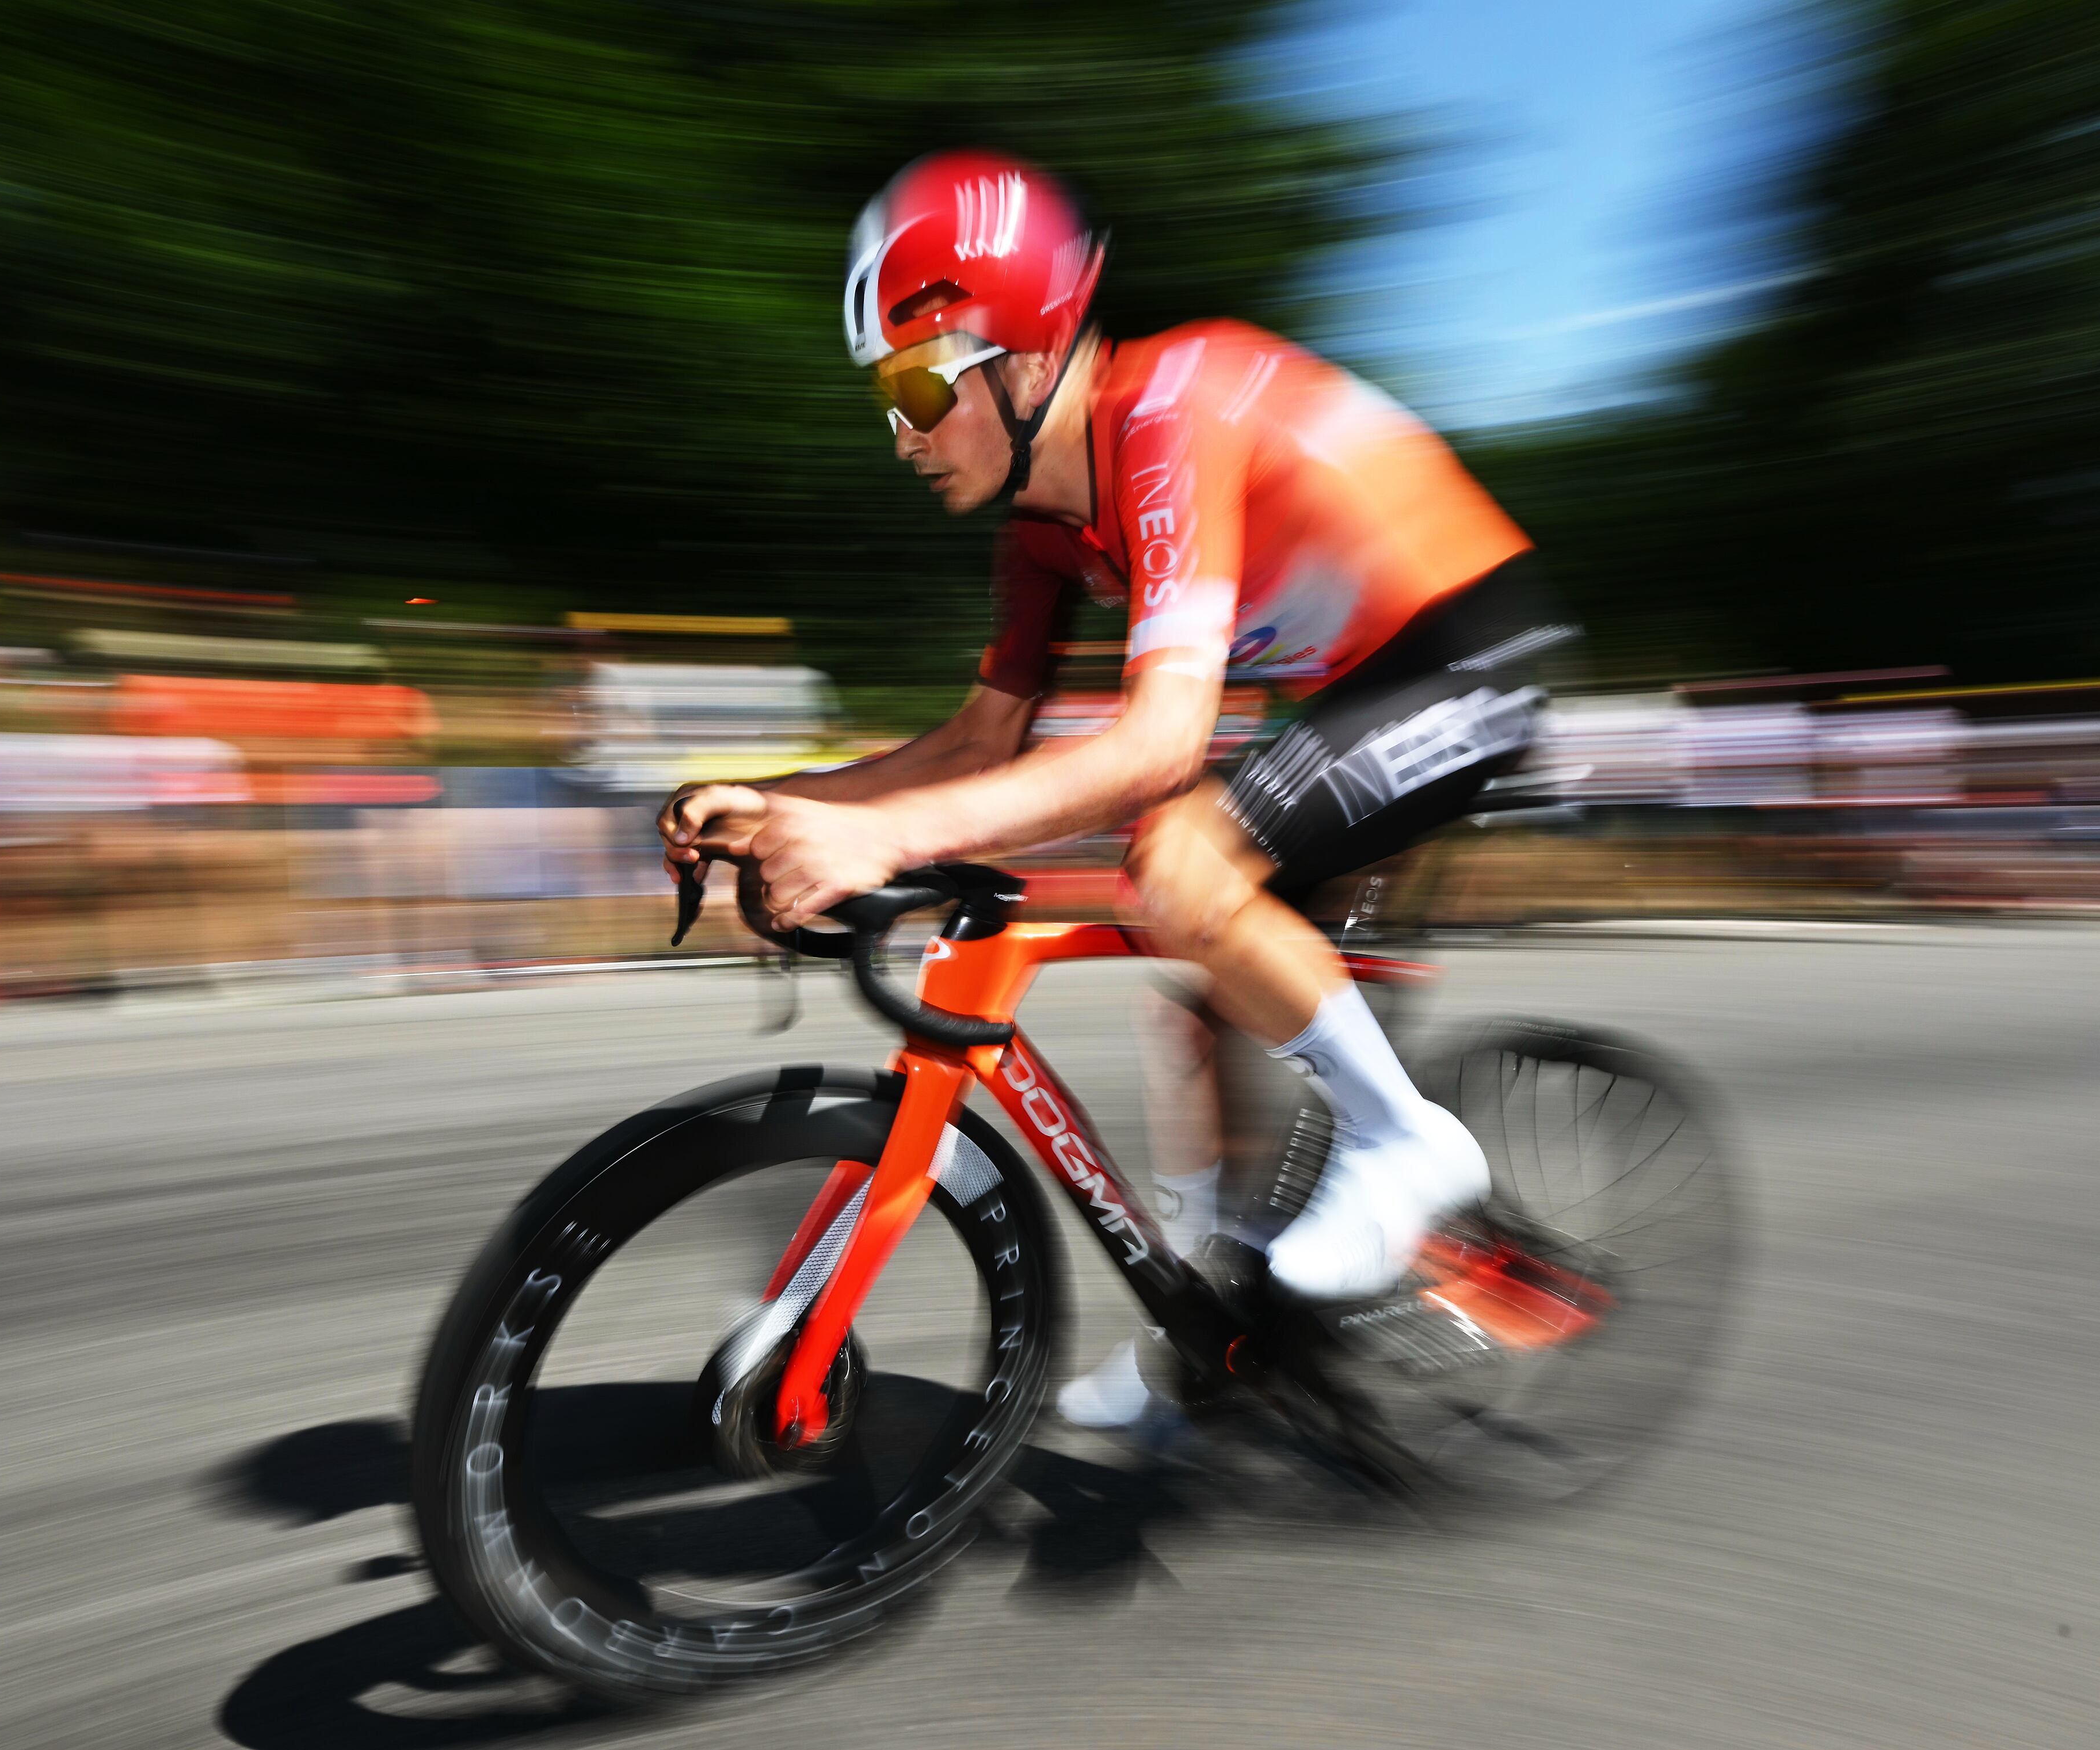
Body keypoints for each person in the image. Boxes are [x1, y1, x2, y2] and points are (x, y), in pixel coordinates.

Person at [660, 149, 1569, 1425]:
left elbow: (1156, 751)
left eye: (921, 383)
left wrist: (879, 843)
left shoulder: (1169, 409)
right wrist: (780, 800)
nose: (903, 431)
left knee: (1180, 856)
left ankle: (1406, 1145)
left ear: (1027, 353)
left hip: (1469, 655)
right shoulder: (1041, 528)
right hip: (1358, 695)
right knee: (1197, 1018)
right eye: (885, 397)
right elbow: (977, 749)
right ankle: (1220, 1330)